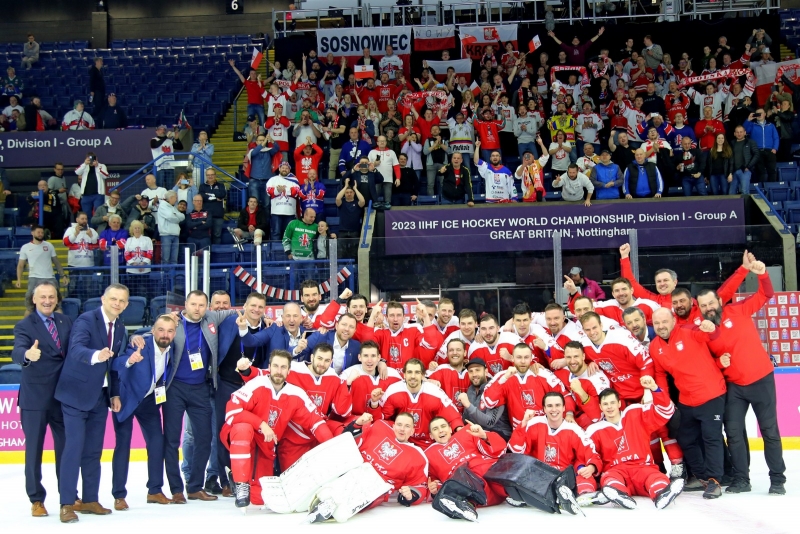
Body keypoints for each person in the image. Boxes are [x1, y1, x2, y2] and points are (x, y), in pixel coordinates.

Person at [696, 258, 786, 495]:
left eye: (710, 303)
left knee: (770, 432)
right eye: (703, 306)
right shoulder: (702, 332)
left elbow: (766, 295)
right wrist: (718, 360)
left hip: (761, 380)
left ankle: (777, 479)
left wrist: (763, 274)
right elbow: (705, 364)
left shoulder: (739, 310)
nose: (708, 308)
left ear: (719, 301)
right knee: (734, 433)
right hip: (734, 386)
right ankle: (741, 480)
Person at [55, 284, 129, 522]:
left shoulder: (120, 327)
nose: (117, 303)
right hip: (75, 394)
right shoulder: (86, 320)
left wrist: (114, 394)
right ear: (103, 298)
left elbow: (115, 366)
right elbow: (76, 349)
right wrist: (97, 355)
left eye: (122, 301)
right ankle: (67, 503)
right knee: (74, 448)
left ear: (127, 304)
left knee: (94, 451)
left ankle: (89, 499)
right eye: (113, 299)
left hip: (100, 397)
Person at [221, 350, 334, 507]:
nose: (279, 371)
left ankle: (236, 476)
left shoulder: (296, 394)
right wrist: (261, 424)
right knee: (243, 428)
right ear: (269, 367)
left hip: (265, 447)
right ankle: (241, 483)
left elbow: (315, 422)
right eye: (275, 366)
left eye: (283, 367)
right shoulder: (257, 384)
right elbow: (232, 411)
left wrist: (332, 447)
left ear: (289, 370)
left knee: (259, 499)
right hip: (246, 439)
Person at [158, 290, 236, 503]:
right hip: (175, 388)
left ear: (207, 307)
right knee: (172, 440)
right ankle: (176, 489)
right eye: (194, 305)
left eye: (202, 305)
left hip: (201, 388)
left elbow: (239, 311)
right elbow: (156, 334)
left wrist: (264, 317)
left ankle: (194, 487)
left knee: (205, 438)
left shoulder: (211, 317)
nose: (197, 309)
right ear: (186, 304)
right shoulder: (173, 322)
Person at [650, 308, 727, 500]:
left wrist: (710, 328)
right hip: (686, 399)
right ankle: (702, 476)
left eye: (664, 322)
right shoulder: (654, 346)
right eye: (657, 323)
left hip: (710, 393)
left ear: (673, 320)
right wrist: (664, 400)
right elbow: (659, 374)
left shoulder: (690, 331)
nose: (661, 326)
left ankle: (715, 480)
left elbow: (709, 334)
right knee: (685, 438)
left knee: (711, 438)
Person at [12, 281, 71, 518]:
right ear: (34, 299)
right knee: (34, 450)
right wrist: (27, 354)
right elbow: (17, 350)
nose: (47, 300)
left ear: (57, 299)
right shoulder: (24, 325)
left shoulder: (66, 321)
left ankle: (67, 496)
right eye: (42, 297)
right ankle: (36, 499)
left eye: (51, 296)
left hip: (63, 397)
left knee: (66, 449)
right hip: (35, 399)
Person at [111, 315, 178, 508]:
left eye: (170, 331)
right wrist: (130, 360)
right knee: (123, 445)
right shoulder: (140, 344)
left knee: (157, 442)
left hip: (149, 401)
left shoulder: (172, 349)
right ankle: (119, 495)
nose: (165, 335)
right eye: (161, 330)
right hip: (127, 399)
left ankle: (155, 490)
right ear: (153, 331)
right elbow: (117, 363)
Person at [587, 379, 685, 510]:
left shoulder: (635, 413)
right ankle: (618, 494)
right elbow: (591, 455)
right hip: (617, 470)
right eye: (605, 404)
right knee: (609, 478)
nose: (609, 407)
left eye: (612, 403)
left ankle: (662, 493)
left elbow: (665, 412)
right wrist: (592, 466)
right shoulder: (594, 429)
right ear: (600, 407)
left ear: (619, 403)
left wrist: (655, 389)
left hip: (643, 467)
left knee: (655, 477)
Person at [509, 391, 603, 506]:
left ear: (564, 408)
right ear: (544, 409)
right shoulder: (533, 423)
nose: (554, 410)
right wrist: (523, 423)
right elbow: (517, 450)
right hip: (539, 475)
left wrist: (592, 467)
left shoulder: (574, 429)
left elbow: (590, 451)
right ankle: (531, 496)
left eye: (557, 405)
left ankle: (581, 496)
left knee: (585, 476)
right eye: (549, 406)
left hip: (564, 476)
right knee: (518, 473)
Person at [367, 358, 462, 449]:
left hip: (428, 442)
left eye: (417, 372)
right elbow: (381, 419)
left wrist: (460, 429)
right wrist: (374, 402)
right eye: (409, 372)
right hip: (401, 439)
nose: (413, 376)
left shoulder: (435, 392)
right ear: (404, 374)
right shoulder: (393, 390)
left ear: (422, 375)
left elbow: (453, 417)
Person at [425, 419, 508, 522]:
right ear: (431, 435)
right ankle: (466, 506)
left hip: (490, 475)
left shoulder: (467, 432)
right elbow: (432, 481)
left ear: (450, 429)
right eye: (435, 429)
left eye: (443, 426)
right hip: (475, 492)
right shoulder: (428, 455)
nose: (441, 430)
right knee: (461, 476)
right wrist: (435, 489)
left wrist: (484, 436)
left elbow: (499, 449)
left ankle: (517, 491)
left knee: (509, 476)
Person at [482, 343, 571, 430]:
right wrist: (504, 378)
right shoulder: (503, 376)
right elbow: (489, 402)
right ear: (512, 358)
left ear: (531, 358)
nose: (523, 361)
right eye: (519, 357)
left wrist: (569, 414)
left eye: (526, 357)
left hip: (545, 430)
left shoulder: (543, 373)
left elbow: (565, 395)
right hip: (520, 432)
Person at [551, 341, 611, 430]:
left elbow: (598, 416)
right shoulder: (563, 371)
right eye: (568, 357)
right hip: (571, 419)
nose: (572, 361)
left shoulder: (597, 379)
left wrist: (581, 392)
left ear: (583, 356)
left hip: (595, 427)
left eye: (576, 356)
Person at [16, 225, 66, 294]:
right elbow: (20, 265)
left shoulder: (49, 245)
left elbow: (56, 262)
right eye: (38, 232)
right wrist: (19, 279)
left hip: (50, 277)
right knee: (30, 300)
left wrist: (63, 275)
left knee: (55, 299)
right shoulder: (25, 247)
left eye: (42, 232)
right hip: (34, 278)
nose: (41, 234)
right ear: (32, 233)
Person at [62, 212, 98, 301]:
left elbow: (97, 245)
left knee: (88, 288)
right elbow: (65, 243)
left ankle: (86, 307)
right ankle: (73, 307)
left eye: (86, 219)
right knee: (73, 287)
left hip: (88, 265)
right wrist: (75, 234)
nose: (84, 221)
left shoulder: (92, 230)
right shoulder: (70, 230)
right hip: (74, 265)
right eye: (82, 219)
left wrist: (91, 236)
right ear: (77, 220)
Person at [267, 161, 301, 243]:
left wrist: (285, 190)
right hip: (276, 212)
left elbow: (296, 192)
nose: (284, 169)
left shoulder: (294, 180)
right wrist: (277, 190)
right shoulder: (273, 179)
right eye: (283, 168)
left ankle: (288, 253)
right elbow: (268, 191)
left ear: (289, 170)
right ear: (279, 169)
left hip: (290, 212)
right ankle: (276, 253)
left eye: (286, 168)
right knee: (276, 233)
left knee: (289, 234)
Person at [744, 109, 779, 182]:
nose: (759, 115)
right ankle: (761, 189)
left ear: (765, 114)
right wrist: (748, 120)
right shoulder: (752, 125)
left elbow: (776, 137)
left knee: (772, 171)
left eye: (760, 113)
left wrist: (775, 148)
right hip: (758, 151)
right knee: (760, 171)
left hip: (770, 151)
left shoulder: (771, 125)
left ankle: (771, 188)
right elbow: (744, 131)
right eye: (757, 114)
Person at [335, 178, 365, 259]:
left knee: (354, 253)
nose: (349, 194)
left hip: (354, 231)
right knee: (341, 253)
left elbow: (362, 201)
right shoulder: (342, 203)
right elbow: (338, 199)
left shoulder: (357, 203)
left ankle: (354, 269)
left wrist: (355, 188)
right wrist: (345, 186)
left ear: (354, 193)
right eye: (347, 192)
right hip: (342, 231)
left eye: (351, 192)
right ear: (344, 194)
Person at [229, 59, 265, 125]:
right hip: (251, 105)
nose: (253, 75)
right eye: (252, 73)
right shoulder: (247, 82)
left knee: (262, 122)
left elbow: (268, 80)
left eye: (254, 73)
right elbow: (239, 74)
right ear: (249, 75)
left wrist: (273, 76)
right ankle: (251, 135)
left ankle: (262, 135)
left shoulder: (260, 82)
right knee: (250, 123)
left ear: (256, 75)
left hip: (260, 105)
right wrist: (233, 66)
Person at [75, 152, 109, 216]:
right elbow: (77, 172)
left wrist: (97, 166)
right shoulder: (84, 166)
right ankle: (89, 226)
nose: (91, 160)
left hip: (98, 194)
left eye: (93, 158)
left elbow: (106, 175)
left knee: (98, 213)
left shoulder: (101, 166)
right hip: (86, 195)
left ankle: (97, 226)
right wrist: (85, 163)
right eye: (89, 158)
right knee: (86, 214)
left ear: (96, 159)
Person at [198, 168, 226, 244]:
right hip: (206, 216)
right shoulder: (202, 186)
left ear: (215, 175)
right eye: (208, 175)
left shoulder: (221, 185)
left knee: (217, 235)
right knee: (207, 236)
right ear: (206, 176)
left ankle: (216, 254)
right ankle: (207, 254)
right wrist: (215, 198)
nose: (210, 176)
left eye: (212, 175)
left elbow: (222, 194)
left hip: (218, 215)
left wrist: (209, 195)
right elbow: (202, 196)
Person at [729, 125, 760, 195]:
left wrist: (748, 166)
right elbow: (729, 158)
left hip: (745, 171)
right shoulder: (731, 143)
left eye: (741, 132)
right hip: (734, 171)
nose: (739, 134)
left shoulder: (751, 142)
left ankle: (746, 206)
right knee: (731, 193)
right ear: (734, 133)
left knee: (744, 192)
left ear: (745, 133)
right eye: (737, 132)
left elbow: (757, 155)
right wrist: (730, 171)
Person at [156, 191, 184, 265]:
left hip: (175, 235)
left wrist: (175, 215)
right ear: (171, 198)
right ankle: (165, 276)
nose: (177, 199)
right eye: (176, 197)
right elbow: (170, 216)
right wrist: (177, 218)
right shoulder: (162, 206)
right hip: (166, 235)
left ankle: (173, 276)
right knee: (166, 258)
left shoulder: (173, 207)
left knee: (174, 259)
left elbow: (182, 216)